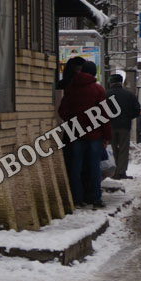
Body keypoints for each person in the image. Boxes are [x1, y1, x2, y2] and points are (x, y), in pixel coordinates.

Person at [58, 60, 111, 210]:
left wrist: (72, 121)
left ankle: (77, 198)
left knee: (76, 167)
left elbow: (62, 110)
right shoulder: (98, 90)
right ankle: (95, 198)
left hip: (75, 134)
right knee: (94, 167)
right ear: (93, 73)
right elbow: (104, 114)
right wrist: (106, 136)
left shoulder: (70, 88)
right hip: (94, 136)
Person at [57, 56, 87, 206]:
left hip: (71, 129)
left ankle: (75, 195)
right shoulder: (94, 88)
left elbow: (63, 110)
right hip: (89, 131)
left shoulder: (66, 85)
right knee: (86, 164)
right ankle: (87, 194)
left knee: (72, 163)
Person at [106, 72, 141, 180]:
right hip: (124, 126)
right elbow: (137, 110)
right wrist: (128, 117)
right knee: (123, 149)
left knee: (112, 149)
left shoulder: (106, 95)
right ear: (121, 83)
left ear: (111, 83)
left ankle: (114, 172)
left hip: (110, 126)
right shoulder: (129, 95)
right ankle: (121, 172)